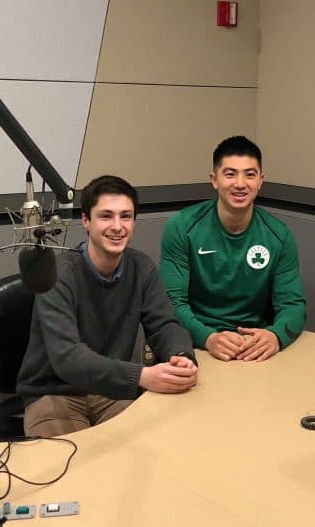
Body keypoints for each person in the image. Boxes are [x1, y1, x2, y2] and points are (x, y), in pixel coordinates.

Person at [17, 174, 197, 438]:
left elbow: (165, 325)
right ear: (86, 221)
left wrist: (181, 355)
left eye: (126, 216)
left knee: (148, 451)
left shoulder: (141, 268)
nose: (117, 226)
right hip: (53, 394)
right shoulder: (58, 273)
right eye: (106, 216)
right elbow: (68, 358)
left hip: (111, 391)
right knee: (72, 468)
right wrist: (141, 377)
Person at [159, 135, 306, 362]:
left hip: (255, 346)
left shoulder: (279, 235)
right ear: (214, 179)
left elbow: (293, 306)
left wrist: (275, 337)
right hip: (197, 343)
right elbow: (171, 302)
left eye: (250, 174)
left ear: (261, 181)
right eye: (230, 174)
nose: (240, 184)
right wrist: (208, 337)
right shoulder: (181, 227)